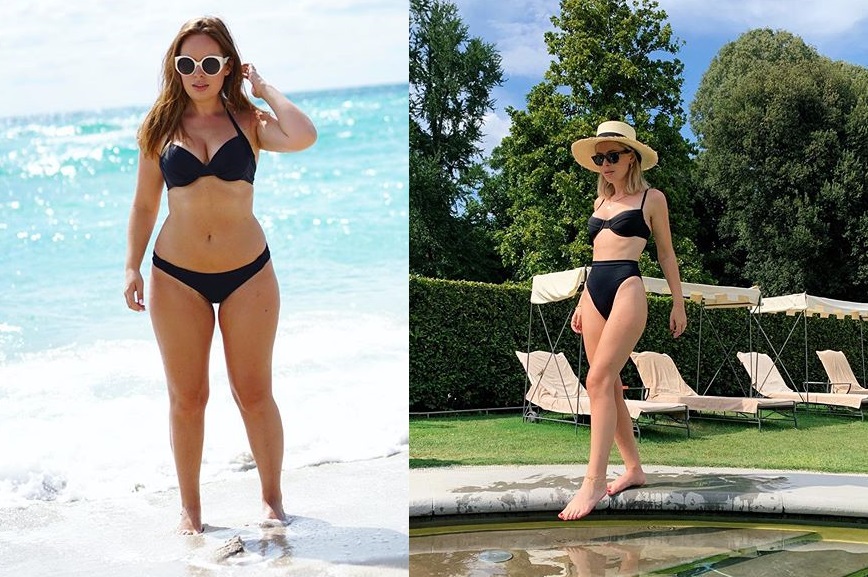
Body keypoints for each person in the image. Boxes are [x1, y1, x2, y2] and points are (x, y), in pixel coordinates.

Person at [123, 16, 317, 534]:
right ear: (177, 68)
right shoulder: (159, 128)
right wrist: (131, 266)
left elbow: (303, 135)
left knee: (253, 393)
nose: (199, 72)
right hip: (176, 276)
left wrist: (265, 88)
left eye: (210, 62)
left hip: (249, 274)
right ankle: (191, 510)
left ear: (226, 65)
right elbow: (145, 206)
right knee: (188, 399)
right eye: (188, 63)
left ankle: (272, 499)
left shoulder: (248, 121)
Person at [558, 120, 686, 521]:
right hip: (595, 288)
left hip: (628, 286)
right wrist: (581, 299)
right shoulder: (599, 204)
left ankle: (593, 481)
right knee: (607, 384)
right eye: (600, 158)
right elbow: (595, 255)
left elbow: (665, 254)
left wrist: (678, 303)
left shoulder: (652, 198)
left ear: (632, 156)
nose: (605, 164)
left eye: (613, 156)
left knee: (596, 380)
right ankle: (633, 470)